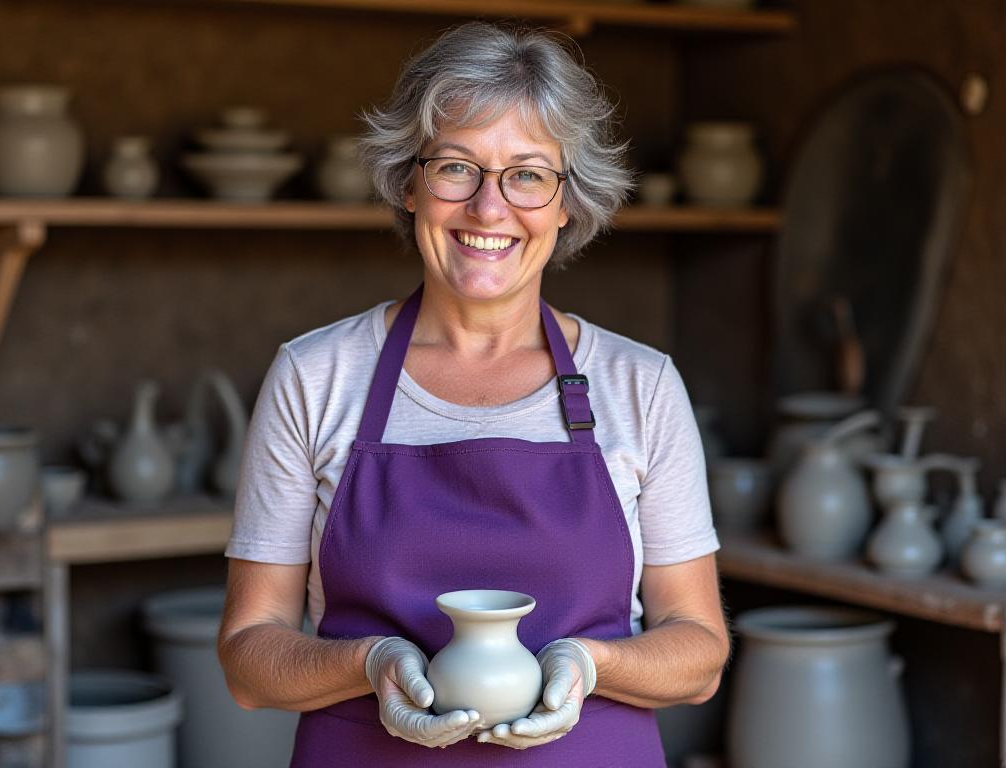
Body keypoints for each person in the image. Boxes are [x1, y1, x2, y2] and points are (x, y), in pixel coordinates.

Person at [218, 21, 729, 767]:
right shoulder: (315, 375)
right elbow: (246, 661)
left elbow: (701, 654)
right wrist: (370, 664)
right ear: (409, 183)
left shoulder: (639, 385)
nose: (490, 210)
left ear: (566, 201)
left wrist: (592, 665)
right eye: (457, 168)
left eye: (527, 174)